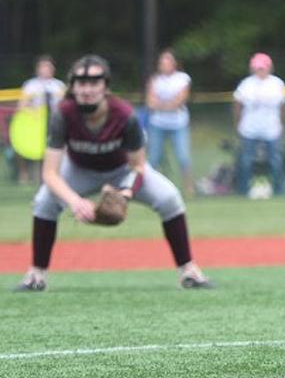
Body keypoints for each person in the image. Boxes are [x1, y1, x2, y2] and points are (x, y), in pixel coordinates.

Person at [13, 54, 212, 292]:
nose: (87, 89)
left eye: (94, 82)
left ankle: (189, 270)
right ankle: (36, 274)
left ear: (105, 86)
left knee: (170, 198)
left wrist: (126, 193)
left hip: (121, 170)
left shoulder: (124, 115)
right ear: (72, 86)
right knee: (44, 201)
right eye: (81, 82)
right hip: (79, 170)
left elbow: (138, 166)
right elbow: (50, 173)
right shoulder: (63, 114)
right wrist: (74, 201)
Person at [233, 52, 285, 197]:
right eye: (258, 68)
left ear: (269, 68)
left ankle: (278, 190)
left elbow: (284, 106)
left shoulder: (277, 83)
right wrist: (238, 124)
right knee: (246, 160)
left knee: (275, 160)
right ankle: (243, 190)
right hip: (249, 129)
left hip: (271, 129)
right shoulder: (246, 84)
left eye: (263, 68)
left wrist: (281, 125)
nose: (260, 71)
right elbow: (237, 104)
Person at [146, 49, 194, 196]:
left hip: (178, 124)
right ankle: (150, 189)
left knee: (183, 157)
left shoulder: (183, 79)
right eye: (162, 62)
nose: (164, 65)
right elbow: (150, 103)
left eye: (167, 62)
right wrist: (168, 105)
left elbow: (179, 102)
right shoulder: (155, 80)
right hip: (157, 124)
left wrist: (162, 104)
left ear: (174, 64)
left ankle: (189, 189)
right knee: (153, 158)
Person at [15, 55, 66, 184]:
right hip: (35, 126)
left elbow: (66, 105)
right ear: (38, 69)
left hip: (56, 124)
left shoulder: (59, 85)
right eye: (43, 66)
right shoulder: (30, 85)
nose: (46, 69)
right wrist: (34, 112)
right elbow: (21, 106)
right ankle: (28, 175)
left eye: (48, 66)